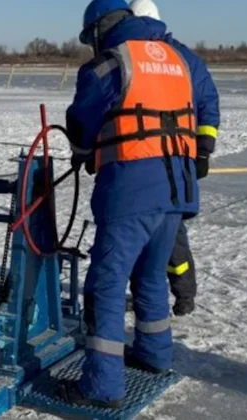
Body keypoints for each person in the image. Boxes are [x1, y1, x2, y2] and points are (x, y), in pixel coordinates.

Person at [60, 0, 206, 407]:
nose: (92, 45)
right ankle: (153, 355)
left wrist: (83, 150)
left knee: (106, 286)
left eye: (92, 37)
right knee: (150, 276)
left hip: (131, 192)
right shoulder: (177, 58)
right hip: (177, 192)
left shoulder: (110, 63)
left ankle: (102, 388)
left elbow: (82, 122)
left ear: (101, 28)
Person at [127, 0, 221, 316]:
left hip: (175, 160)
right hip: (143, 159)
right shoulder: (130, 56)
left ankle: (183, 294)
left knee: (171, 233)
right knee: (143, 232)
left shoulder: (183, 59)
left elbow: (207, 101)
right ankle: (145, 293)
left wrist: (203, 149)